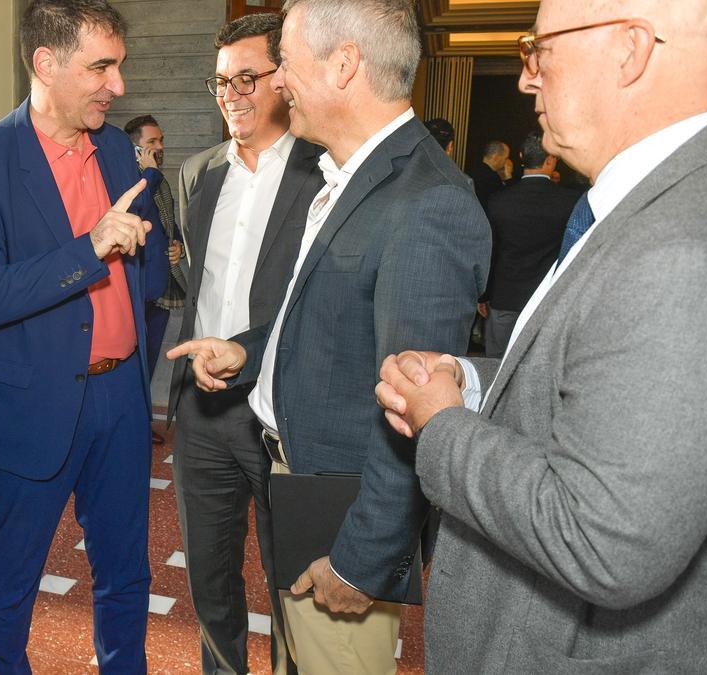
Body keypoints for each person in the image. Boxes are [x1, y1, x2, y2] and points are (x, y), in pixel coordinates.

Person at [375, 0, 707, 672]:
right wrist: (471, 383)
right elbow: (594, 381)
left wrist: (440, 423)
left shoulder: (677, 249)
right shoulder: (648, 202)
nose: (527, 78)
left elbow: (603, 539)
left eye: (540, 48)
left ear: (631, 49)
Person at [168, 1, 489, 672]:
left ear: (345, 65)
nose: (278, 82)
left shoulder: (425, 203)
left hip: (340, 516)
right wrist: (248, 350)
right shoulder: (350, 177)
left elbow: (412, 415)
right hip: (303, 483)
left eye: (285, 62)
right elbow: (321, 322)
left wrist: (363, 558)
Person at [0, 1, 164, 672]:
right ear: (45, 63)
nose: (117, 86)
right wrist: (88, 248)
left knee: (127, 571)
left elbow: (141, 267)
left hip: (122, 393)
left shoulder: (120, 149)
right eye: (101, 67)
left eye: (119, 66)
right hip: (28, 399)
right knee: (13, 580)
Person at [167, 13, 323, 675]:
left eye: (248, 78)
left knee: (294, 581)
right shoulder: (199, 174)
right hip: (200, 415)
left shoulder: (326, 176)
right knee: (209, 579)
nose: (231, 94)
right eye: (221, 82)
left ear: (284, 81)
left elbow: (320, 308)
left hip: (280, 410)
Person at [483, 132, 580, 357]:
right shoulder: (570, 202)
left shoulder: (499, 200)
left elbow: (490, 251)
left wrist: (484, 295)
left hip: (505, 296)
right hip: (547, 300)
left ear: (519, 157)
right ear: (550, 160)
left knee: (494, 369)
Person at [124, 114, 185, 382]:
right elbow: (137, 211)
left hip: (158, 295)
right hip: (133, 294)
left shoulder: (159, 181)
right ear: (136, 149)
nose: (160, 147)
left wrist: (177, 245)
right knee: (130, 369)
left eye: (161, 140)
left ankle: (141, 423)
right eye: (152, 142)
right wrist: (149, 174)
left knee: (147, 368)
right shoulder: (127, 180)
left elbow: (166, 222)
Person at [471, 139, 509, 209]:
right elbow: (505, 202)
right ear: (496, 157)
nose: (506, 162)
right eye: (505, 158)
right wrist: (509, 178)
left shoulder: (472, 170)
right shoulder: (492, 178)